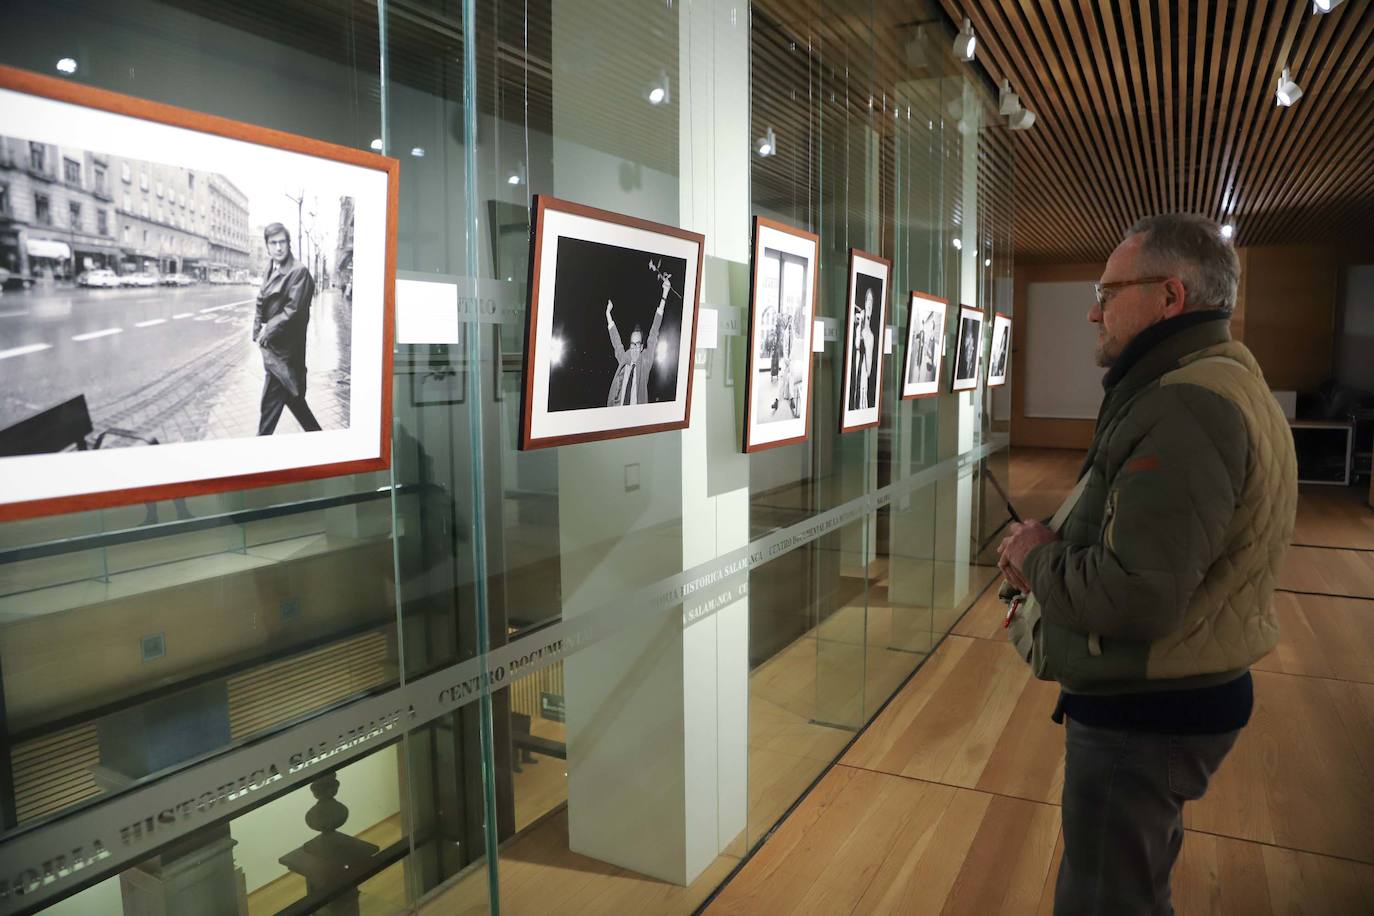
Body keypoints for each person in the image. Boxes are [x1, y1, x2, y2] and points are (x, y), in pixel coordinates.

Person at [996, 214, 1297, 915]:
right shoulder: (1220, 378)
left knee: (1106, 901)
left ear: (1169, 296)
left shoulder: (1186, 405)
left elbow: (1136, 595)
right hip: (1177, 691)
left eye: (1109, 290)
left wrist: (1036, 559)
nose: (1095, 310)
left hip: (1148, 706)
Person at [253, 223, 322, 435]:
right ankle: (322, 440)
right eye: (273, 243)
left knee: (267, 414)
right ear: (267, 246)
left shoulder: (298, 272)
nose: (278, 247)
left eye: (282, 242)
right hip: (275, 352)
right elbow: (261, 299)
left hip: (285, 356)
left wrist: (268, 329)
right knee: (297, 403)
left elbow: (293, 312)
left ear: (289, 244)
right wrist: (257, 329)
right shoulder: (270, 267)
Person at [606, 274, 669, 407]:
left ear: (641, 347)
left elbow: (654, 332)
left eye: (637, 344)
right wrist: (608, 314)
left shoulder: (645, 362)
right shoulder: (625, 358)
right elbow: (616, 342)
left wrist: (664, 295)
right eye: (632, 344)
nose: (634, 348)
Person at [849, 288, 874, 410]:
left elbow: (868, 371)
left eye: (871, 301)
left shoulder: (870, 335)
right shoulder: (858, 323)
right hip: (855, 365)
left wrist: (867, 348)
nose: (869, 303)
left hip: (863, 372)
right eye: (867, 300)